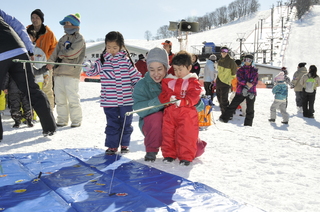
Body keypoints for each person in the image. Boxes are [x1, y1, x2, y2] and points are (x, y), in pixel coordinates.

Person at [0, 9, 56, 136]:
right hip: (19, 50)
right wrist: (30, 50)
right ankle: (49, 127)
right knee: (32, 90)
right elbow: (18, 26)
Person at [84, 31, 141, 154]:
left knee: (126, 123)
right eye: (109, 47)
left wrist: (139, 86)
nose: (112, 50)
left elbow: (135, 77)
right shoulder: (103, 61)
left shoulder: (126, 61)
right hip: (109, 101)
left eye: (115, 47)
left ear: (121, 46)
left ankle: (124, 144)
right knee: (112, 124)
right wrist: (87, 66)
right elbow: (92, 71)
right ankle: (112, 146)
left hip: (126, 100)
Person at [159, 50, 202, 166]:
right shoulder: (168, 81)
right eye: (175, 69)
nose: (177, 72)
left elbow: (194, 95)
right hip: (170, 113)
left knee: (187, 135)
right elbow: (163, 95)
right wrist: (168, 99)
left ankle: (186, 156)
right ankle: (168, 154)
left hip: (187, 114)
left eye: (180, 69)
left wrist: (184, 101)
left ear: (189, 68)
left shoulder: (192, 81)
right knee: (168, 134)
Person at [46, 13, 86, 128]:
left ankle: (76, 120)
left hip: (71, 73)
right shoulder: (62, 39)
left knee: (72, 97)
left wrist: (61, 55)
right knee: (60, 98)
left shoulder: (79, 38)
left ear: (74, 24)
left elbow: (73, 53)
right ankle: (62, 119)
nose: (66, 26)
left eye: (68, 23)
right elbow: (54, 54)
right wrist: (50, 63)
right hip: (58, 73)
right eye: (65, 24)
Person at [27, 9, 57, 110]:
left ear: (41, 19)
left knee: (47, 88)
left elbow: (55, 47)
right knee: (30, 88)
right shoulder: (26, 30)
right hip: (30, 64)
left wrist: (49, 61)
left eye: (37, 18)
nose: (34, 20)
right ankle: (31, 111)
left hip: (45, 65)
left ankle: (49, 110)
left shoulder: (49, 33)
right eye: (33, 17)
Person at [219, 54, 258, 126]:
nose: (247, 61)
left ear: (252, 61)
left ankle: (248, 124)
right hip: (241, 90)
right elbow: (240, 79)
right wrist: (246, 83)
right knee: (233, 104)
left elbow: (255, 80)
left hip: (251, 91)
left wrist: (249, 86)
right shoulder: (240, 70)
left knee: (250, 108)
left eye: (249, 60)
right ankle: (224, 118)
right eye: (246, 59)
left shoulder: (254, 70)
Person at [216, 47, 238, 116]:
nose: (224, 52)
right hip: (219, 81)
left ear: (227, 52)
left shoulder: (231, 61)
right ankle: (224, 112)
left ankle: (227, 114)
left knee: (224, 99)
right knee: (219, 98)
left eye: (225, 51)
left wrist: (229, 79)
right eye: (222, 51)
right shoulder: (220, 61)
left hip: (226, 82)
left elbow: (234, 72)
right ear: (220, 52)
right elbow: (219, 72)